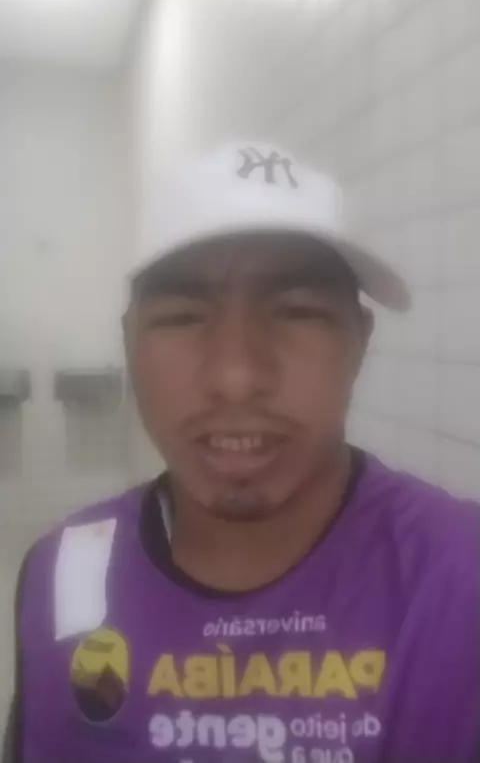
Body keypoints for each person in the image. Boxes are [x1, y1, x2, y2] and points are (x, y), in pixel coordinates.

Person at [3, 142, 478, 763]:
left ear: (359, 342)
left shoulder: (459, 580)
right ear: (129, 342)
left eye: (298, 312)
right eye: (182, 316)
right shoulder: (63, 571)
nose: (236, 376)